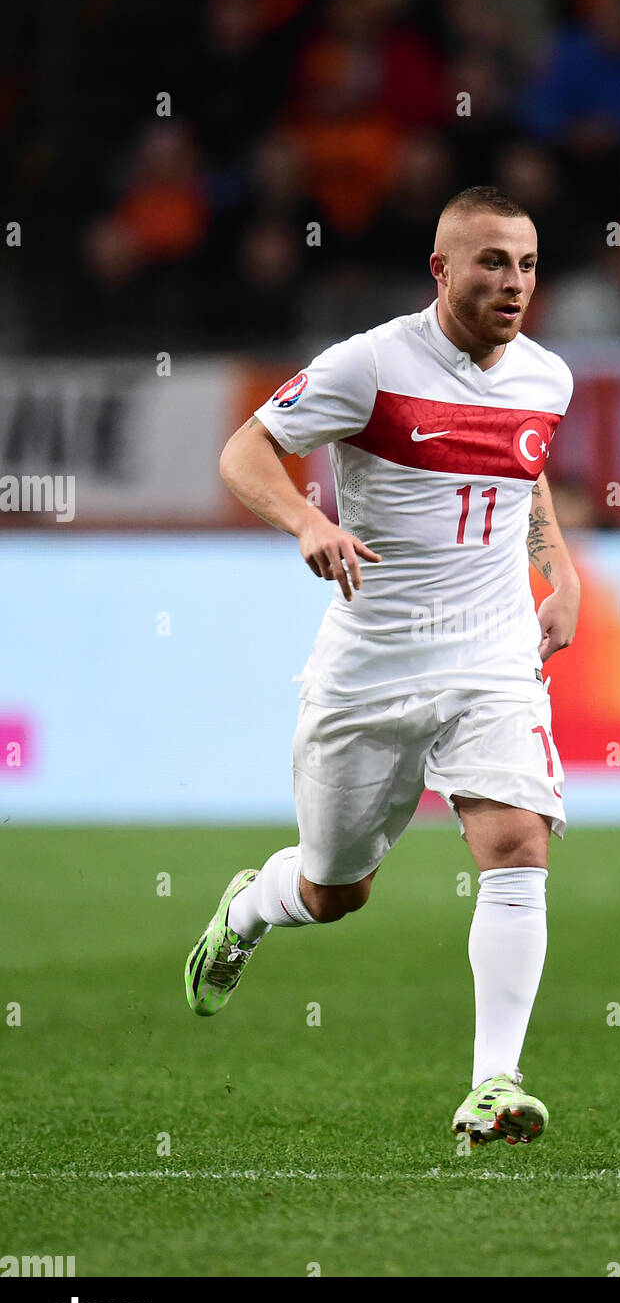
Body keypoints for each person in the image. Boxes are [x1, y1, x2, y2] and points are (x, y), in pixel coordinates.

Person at [184, 185, 580, 1147]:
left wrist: (557, 571)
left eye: (525, 264)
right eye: (490, 261)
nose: (512, 282)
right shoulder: (368, 365)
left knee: (517, 843)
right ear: (441, 269)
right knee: (335, 889)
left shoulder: (547, 378)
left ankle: (494, 1084)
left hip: (492, 655)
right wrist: (308, 521)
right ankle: (249, 909)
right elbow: (243, 452)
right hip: (371, 664)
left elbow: (522, 472)